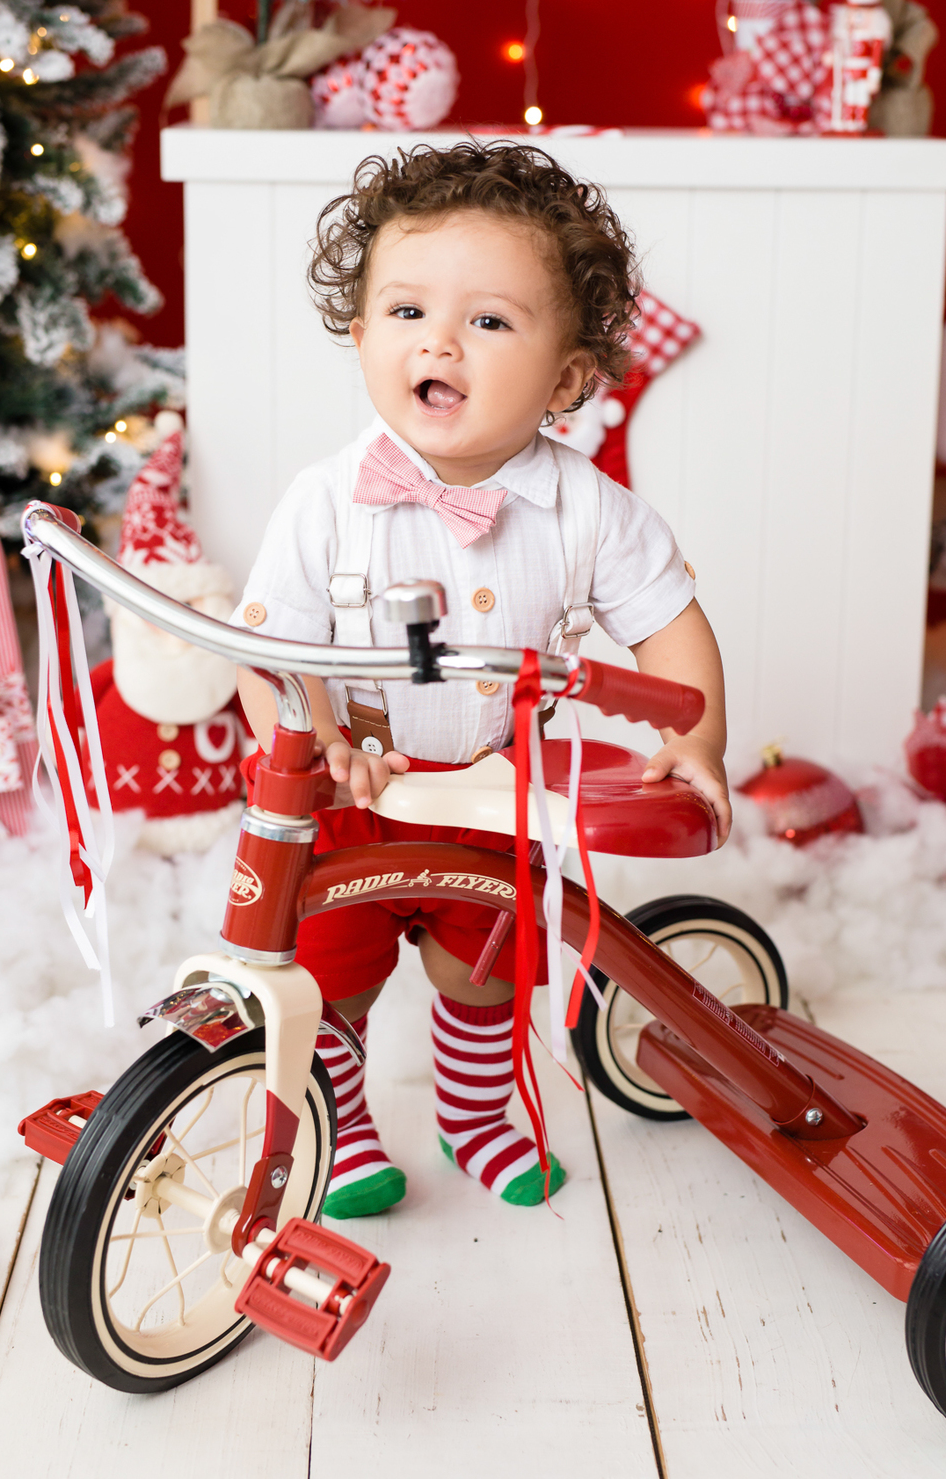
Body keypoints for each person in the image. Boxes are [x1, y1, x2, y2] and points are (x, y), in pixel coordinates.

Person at [234, 140, 729, 1220]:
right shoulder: (324, 503)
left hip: (499, 794)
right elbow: (272, 657)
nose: (440, 340)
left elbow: (672, 627)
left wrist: (696, 744)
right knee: (334, 978)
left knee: (485, 974)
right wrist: (321, 742)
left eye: (490, 321)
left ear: (566, 380)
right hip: (355, 798)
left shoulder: (591, 509)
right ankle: (344, 1125)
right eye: (406, 312)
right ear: (360, 334)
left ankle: (473, 1114)